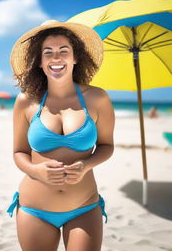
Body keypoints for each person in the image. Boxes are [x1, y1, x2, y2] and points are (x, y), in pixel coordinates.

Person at [7, 20, 115, 251]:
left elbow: (107, 146)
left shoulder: (98, 99)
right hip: (34, 209)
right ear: (40, 61)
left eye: (63, 51)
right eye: (48, 53)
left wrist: (86, 165)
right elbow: (19, 152)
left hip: (84, 207)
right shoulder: (26, 102)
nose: (56, 58)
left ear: (75, 58)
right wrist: (36, 171)